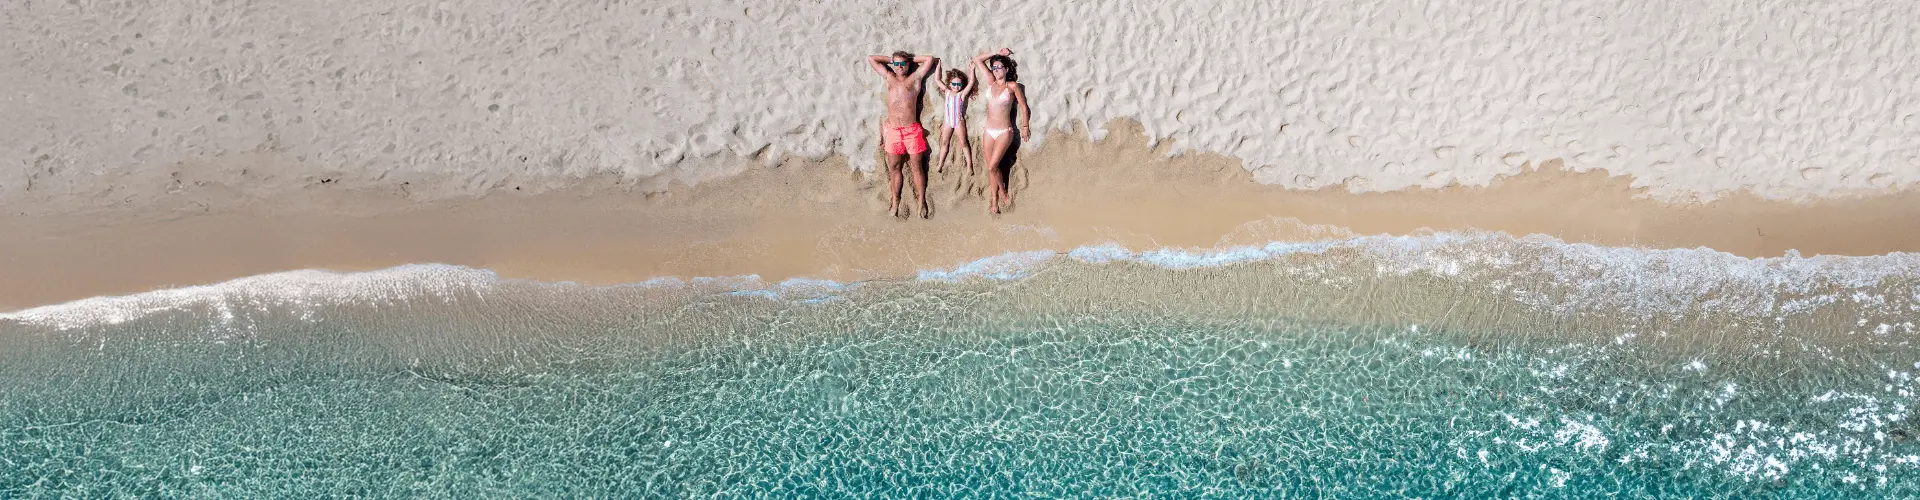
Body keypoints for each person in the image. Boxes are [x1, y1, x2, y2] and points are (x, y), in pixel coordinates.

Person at [866, 51, 938, 218]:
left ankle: (921, 200)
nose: (899, 67)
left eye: (902, 64)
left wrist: (908, 60)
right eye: (896, 65)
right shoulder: (889, 77)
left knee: (916, 167)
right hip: (893, 131)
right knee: (894, 167)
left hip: (911, 130)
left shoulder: (915, 78)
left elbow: (929, 59)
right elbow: (872, 59)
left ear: (908, 64)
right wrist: (893, 60)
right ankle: (895, 200)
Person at [971, 48, 1029, 214]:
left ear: (1006, 69)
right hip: (989, 131)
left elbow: (1024, 107)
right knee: (991, 167)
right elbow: (977, 59)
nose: (995, 70)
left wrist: (1025, 126)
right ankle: (995, 200)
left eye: (999, 67)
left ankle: (1003, 191)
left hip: (1005, 131)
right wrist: (997, 52)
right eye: (994, 68)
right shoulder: (991, 82)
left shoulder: (1012, 86)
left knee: (992, 166)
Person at [936, 69, 976, 174]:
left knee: (963, 143)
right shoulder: (947, 92)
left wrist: (971, 69)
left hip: (958, 121)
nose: (956, 86)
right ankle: (940, 163)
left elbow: (971, 82)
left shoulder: (961, 94)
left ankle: (969, 166)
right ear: (950, 83)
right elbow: (937, 79)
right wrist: (938, 66)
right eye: (954, 84)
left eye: (959, 84)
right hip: (947, 121)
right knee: (944, 143)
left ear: (962, 85)